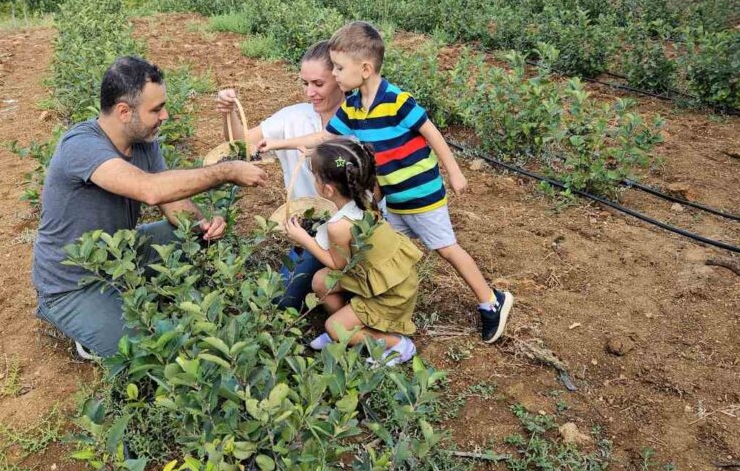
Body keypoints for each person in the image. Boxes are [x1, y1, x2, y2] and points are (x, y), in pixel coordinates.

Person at [260, 21, 515, 344]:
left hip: (421, 195)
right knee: (383, 253)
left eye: (339, 68)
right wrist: (279, 144)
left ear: (365, 69)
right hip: (392, 199)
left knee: (447, 249)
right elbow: (325, 136)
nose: (335, 74)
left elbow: (430, 131)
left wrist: (454, 171)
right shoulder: (352, 107)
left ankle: (491, 301)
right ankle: (370, 315)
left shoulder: (396, 100)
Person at [32, 56, 268, 358]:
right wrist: (226, 171)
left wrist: (203, 225)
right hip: (73, 282)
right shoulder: (81, 145)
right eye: (156, 109)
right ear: (123, 111)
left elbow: (171, 202)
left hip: (122, 252)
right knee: (149, 351)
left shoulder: (144, 140)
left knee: (195, 235)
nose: (165, 115)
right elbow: (151, 190)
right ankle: (81, 322)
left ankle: (122, 295)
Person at [214, 41, 347, 311]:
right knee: (281, 299)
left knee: (356, 285)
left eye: (318, 84)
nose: (310, 92)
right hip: (312, 231)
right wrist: (229, 114)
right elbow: (242, 146)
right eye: (304, 83)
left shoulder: (359, 120)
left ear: (340, 78)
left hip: (352, 230)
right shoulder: (293, 118)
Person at [282, 138, 422, 366]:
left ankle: (395, 344)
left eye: (315, 175)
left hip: (389, 294)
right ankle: (349, 326)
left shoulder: (339, 226)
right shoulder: (365, 193)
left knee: (332, 325)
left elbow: (336, 264)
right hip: (388, 275)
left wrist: (304, 239)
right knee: (320, 281)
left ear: (327, 189)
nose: (314, 179)